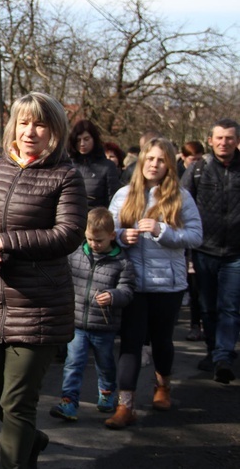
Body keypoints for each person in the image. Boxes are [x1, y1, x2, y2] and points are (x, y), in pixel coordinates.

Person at [0, 92, 87, 468]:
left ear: (55, 131)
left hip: (39, 308)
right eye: (24, 122)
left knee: (16, 404)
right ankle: (32, 437)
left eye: (40, 124)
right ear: (14, 125)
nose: (31, 131)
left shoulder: (66, 176)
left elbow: (68, 234)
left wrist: (5, 241)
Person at [106, 137, 202, 429]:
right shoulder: (123, 195)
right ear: (142, 162)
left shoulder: (180, 197)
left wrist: (163, 231)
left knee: (161, 341)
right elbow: (108, 232)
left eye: (161, 160)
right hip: (131, 283)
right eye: (150, 159)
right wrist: (122, 236)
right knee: (131, 344)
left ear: (169, 164)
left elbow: (196, 236)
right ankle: (125, 405)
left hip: (167, 285)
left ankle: (163, 387)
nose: (154, 165)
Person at [49, 207, 135, 422]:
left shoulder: (121, 262)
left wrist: (113, 296)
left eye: (99, 240)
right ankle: (68, 402)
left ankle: (106, 393)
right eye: (89, 239)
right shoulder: (76, 255)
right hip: (77, 321)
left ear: (112, 236)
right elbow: (62, 277)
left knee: (104, 363)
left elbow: (127, 290)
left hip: (104, 325)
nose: (94, 244)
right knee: (73, 362)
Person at [181, 120, 240, 383]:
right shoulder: (198, 169)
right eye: (219, 138)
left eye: (229, 138)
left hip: (236, 252)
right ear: (210, 140)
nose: (224, 142)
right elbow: (181, 203)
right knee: (207, 306)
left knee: (229, 306)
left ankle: (223, 356)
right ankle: (213, 351)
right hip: (204, 249)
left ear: (237, 140)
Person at [177, 141, 206, 343]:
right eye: (191, 158)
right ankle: (196, 324)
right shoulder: (188, 179)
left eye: (198, 158)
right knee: (196, 289)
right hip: (192, 242)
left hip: (211, 239)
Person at [67, 120, 120, 209]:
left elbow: (113, 201)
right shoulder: (67, 165)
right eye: (78, 140)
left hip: (96, 219)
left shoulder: (107, 167)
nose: (82, 144)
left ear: (94, 139)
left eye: (86, 139)